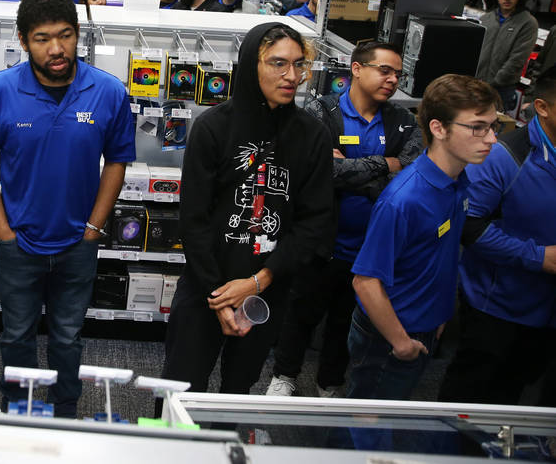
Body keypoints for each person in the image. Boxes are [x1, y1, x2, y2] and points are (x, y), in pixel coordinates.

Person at [0, 0, 135, 417]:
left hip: (78, 244)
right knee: (17, 335)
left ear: (78, 35)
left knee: (67, 336)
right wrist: (2, 229)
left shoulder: (109, 92)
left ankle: (64, 413)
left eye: (65, 35)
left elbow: (117, 161)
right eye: (42, 38)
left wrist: (93, 229)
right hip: (19, 243)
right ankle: (18, 410)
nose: (57, 48)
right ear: (23, 41)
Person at [161, 23, 333, 395]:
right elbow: (194, 219)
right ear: (251, 65)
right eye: (278, 64)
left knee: (239, 390)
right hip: (206, 286)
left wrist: (259, 281)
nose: (292, 76)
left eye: (299, 65)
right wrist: (220, 297)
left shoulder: (312, 135)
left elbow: (313, 221)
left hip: (268, 289)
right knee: (180, 390)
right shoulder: (213, 128)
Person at [267, 41, 423, 399]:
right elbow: (322, 170)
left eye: (397, 73)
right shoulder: (322, 110)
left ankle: (329, 382)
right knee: (301, 312)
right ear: (356, 69)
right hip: (320, 241)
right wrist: (385, 164)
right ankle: (284, 375)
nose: (392, 79)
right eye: (384, 70)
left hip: (370, 249)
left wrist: (351, 171)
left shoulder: (403, 123)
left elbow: (411, 176)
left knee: (345, 320)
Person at [346, 74, 499, 409]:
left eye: (492, 126)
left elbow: (440, 255)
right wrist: (400, 343)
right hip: (391, 334)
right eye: (477, 127)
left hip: (424, 324)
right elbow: (366, 282)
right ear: (439, 128)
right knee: (365, 423)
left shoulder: (459, 180)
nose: (492, 138)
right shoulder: (404, 200)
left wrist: (439, 314)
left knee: (391, 416)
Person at [438, 65, 556, 406]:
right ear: (543, 108)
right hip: (498, 306)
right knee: (472, 393)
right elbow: (469, 226)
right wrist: (537, 257)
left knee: (515, 389)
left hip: (545, 309)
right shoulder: (505, 157)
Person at [476, 0, 538, 113]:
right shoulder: (487, 19)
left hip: (502, 88)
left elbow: (518, 59)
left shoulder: (528, 23)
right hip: (477, 83)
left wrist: (494, 82)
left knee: (495, 127)